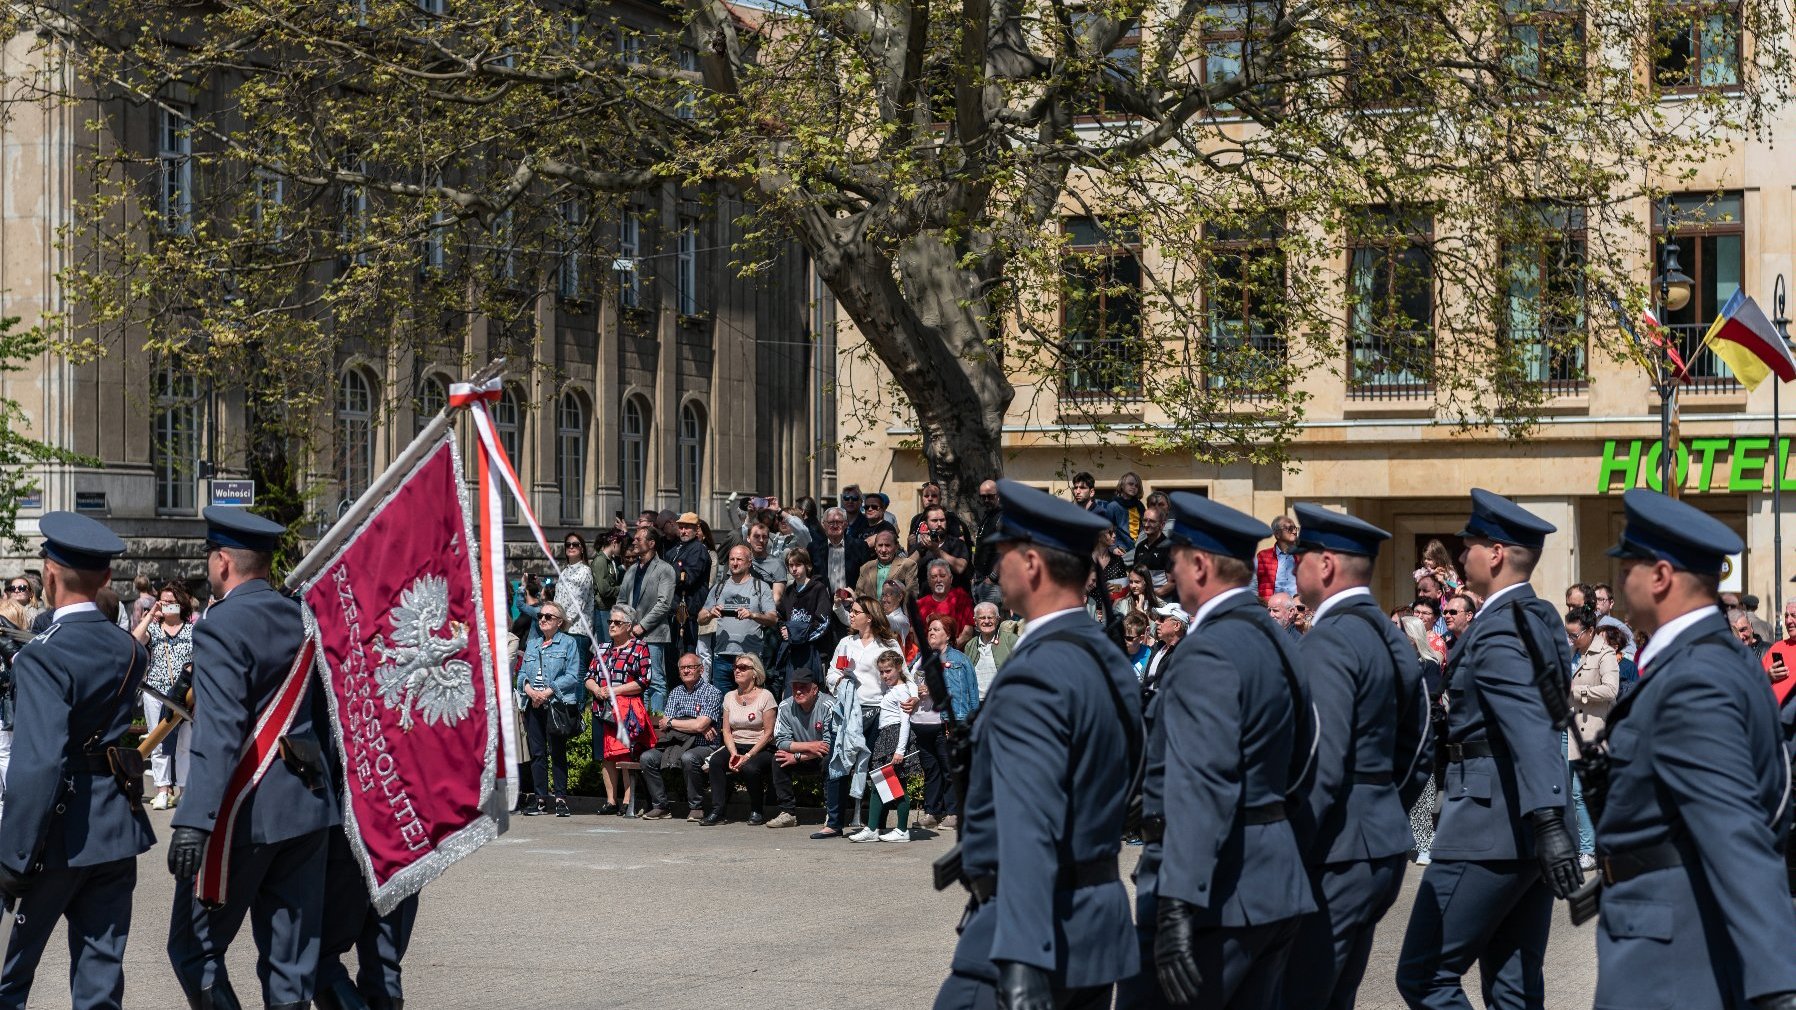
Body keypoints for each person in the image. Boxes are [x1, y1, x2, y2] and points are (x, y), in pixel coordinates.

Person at [935, 479, 1139, 1010]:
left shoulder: (1038, 672)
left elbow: (1027, 822)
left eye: (1000, 554)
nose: (994, 569)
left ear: (1031, 564)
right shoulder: (1107, 656)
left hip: (1033, 934)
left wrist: (1021, 961)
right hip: (1095, 923)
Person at [1592, 489, 1796, 1010]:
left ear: (1660, 576)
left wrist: (1777, 987)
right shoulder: (1707, 658)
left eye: (1629, 565)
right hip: (1671, 934)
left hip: (1671, 958)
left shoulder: (1694, 678)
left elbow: (1737, 831)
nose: (1620, 579)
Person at [1120, 493, 1313, 1010]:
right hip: (1271, 880)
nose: (1169, 573)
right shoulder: (1277, 641)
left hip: (1212, 895)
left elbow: (1201, 786)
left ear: (1200, 564)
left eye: (1176, 560)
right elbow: (1307, 756)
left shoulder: (1207, 650)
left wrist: (1177, 906)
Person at [1396, 489, 1579, 1010]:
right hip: (1522, 823)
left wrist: (1547, 819)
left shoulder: (1501, 627)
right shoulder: (1538, 616)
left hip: (1487, 826)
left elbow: (1529, 725)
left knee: (1425, 975)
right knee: (1514, 990)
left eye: (1470, 543)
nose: (1461, 554)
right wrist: (1548, 819)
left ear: (1495, 553)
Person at [167, 507, 341, 1010]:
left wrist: (195, 820)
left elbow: (220, 733)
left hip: (246, 809)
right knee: (291, 966)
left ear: (222, 562)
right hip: (307, 806)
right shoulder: (304, 618)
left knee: (193, 948)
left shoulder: (220, 625)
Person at [0, 512, 152, 1010]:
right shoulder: (130, 649)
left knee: (10, 976)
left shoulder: (44, 655)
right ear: (107, 578)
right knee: (99, 984)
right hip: (113, 827)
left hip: (53, 837)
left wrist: (13, 856)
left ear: (47, 575)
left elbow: (38, 764)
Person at [1283, 503, 1431, 1010]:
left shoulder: (1328, 641)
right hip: (1377, 839)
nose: (1292, 564)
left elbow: (1319, 759)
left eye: (1298, 555)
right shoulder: (1389, 635)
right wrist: (1385, 800)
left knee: (1299, 995)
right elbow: (1421, 738)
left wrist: (1291, 845)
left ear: (1324, 565)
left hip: (1336, 848)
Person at [910, 614, 979, 830]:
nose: (931, 632)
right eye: (930, 629)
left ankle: (953, 813)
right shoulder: (919, 657)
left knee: (950, 769)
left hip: (948, 721)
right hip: (922, 723)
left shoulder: (959, 660)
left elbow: (970, 693)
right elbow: (906, 682)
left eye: (937, 629)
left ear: (948, 635)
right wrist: (914, 692)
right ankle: (932, 812)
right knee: (931, 770)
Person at [132, 581, 196, 811]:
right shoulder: (154, 629)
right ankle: (161, 789)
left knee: (184, 742)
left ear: (181, 604)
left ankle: (184, 790)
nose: (168, 606)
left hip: (185, 694)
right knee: (157, 740)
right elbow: (134, 640)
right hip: (156, 691)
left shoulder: (192, 630)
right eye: (164, 601)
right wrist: (150, 615)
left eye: (172, 602)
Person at [516, 601, 583, 818]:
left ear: (559, 622)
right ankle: (541, 799)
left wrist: (546, 692)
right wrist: (529, 690)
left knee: (557, 752)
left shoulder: (568, 643)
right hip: (533, 704)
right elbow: (521, 674)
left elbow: (573, 676)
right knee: (537, 754)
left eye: (548, 617)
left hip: (555, 704)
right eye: (541, 616)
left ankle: (561, 798)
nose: (542, 619)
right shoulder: (533, 644)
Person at [1564, 607, 1619, 870]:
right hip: (1568, 730)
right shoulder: (1572, 653)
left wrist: (1579, 691)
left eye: (1575, 635)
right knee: (1570, 792)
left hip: (1592, 733)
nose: (1572, 639)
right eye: (1569, 634)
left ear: (1590, 631)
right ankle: (1586, 846)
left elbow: (1611, 690)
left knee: (1582, 792)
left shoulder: (1605, 654)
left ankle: (1590, 849)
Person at [639, 653, 723, 821]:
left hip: (704, 746)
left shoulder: (712, 692)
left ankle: (696, 807)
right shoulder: (675, 692)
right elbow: (665, 724)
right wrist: (695, 725)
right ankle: (660, 806)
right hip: (675, 745)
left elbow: (698, 725)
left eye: (690, 667)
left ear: (701, 669)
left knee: (689, 757)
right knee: (647, 757)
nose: (686, 671)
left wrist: (683, 724)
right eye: (682, 668)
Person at [826, 594, 902, 777]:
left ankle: (881, 805)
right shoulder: (846, 643)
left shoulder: (888, 645)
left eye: (855, 611)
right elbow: (831, 674)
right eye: (850, 611)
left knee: (879, 768)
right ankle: (838, 806)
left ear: (869, 617)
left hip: (879, 712)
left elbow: (903, 676)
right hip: (848, 712)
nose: (850, 615)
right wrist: (840, 681)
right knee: (840, 766)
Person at [588, 604, 653, 816]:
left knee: (625, 754)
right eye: (610, 622)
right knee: (605, 756)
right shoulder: (602, 648)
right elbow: (588, 677)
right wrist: (597, 688)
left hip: (626, 710)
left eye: (617, 622)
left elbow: (644, 681)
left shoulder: (639, 647)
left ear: (629, 625)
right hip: (601, 708)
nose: (612, 625)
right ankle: (610, 801)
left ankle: (627, 800)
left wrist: (614, 690)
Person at [768, 668, 845, 835]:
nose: (798, 691)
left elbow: (828, 745)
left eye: (803, 687)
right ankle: (788, 813)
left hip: (822, 756)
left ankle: (831, 815)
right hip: (805, 753)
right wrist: (809, 747)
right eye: (795, 686)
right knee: (778, 758)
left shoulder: (828, 705)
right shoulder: (785, 706)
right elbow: (781, 741)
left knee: (830, 761)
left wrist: (797, 756)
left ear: (815, 689)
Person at [706, 653, 778, 826]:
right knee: (716, 761)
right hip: (736, 745)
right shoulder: (729, 697)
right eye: (736, 667)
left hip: (761, 747)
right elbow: (727, 731)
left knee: (751, 767)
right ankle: (718, 810)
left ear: (755, 673)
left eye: (743, 667)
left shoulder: (766, 696)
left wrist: (748, 756)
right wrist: (733, 753)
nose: (737, 670)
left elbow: (769, 733)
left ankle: (756, 810)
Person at [698, 545, 777, 694]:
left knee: (750, 703)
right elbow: (700, 618)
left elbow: (773, 618)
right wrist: (710, 614)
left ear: (749, 562)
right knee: (722, 705)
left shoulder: (760, 587)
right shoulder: (719, 587)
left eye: (739, 559)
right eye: (732, 559)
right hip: (722, 657)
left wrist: (753, 615)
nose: (734, 563)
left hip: (750, 658)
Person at [1399, 615, 1444, 866]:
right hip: (1398, 735)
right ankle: (1409, 840)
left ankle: (1426, 843)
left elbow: (1430, 697)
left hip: (1420, 735)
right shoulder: (1395, 663)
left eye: (1401, 631)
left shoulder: (1429, 664)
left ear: (1413, 637)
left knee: (1425, 793)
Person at [619, 527, 676, 712]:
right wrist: (623, 625)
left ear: (651, 543)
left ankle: (657, 727)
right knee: (636, 681)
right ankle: (639, 725)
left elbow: (664, 604)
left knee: (656, 681)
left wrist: (641, 626)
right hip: (629, 634)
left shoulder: (665, 569)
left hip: (653, 635)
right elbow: (621, 600)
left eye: (638, 539)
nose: (633, 542)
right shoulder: (632, 570)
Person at [776, 548, 832, 684]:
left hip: (813, 652)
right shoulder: (789, 591)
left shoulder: (819, 589)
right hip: (793, 652)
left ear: (808, 566)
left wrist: (797, 635)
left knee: (811, 692)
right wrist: (783, 629)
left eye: (798, 564)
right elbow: (781, 617)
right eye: (791, 565)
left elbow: (823, 622)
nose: (794, 569)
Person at [664, 512, 713, 658]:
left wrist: (671, 573)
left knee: (688, 652)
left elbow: (688, 578)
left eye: (687, 528)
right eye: (681, 527)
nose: (683, 531)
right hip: (674, 606)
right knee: (672, 654)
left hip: (689, 608)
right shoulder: (675, 549)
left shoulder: (698, 549)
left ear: (696, 529)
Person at [961, 601, 1015, 699]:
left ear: (998, 620)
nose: (986, 621)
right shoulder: (970, 645)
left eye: (990, 617)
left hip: (1002, 700)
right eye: (982, 618)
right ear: (975, 621)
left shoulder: (1010, 640)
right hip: (977, 703)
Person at [911, 504, 972, 588]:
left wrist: (936, 551)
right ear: (925, 524)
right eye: (934, 520)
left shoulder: (957, 544)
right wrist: (921, 549)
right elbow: (906, 569)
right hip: (926, 598)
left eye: (942, 520)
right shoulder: (920, 546)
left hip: (953, 598)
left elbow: (960, 567)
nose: (939, 524)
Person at [916, 558, 974, 641]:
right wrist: (930, 653)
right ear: (929, 581)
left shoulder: (961, 598)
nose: (938, 580)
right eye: (934, 577)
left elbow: (967, 633)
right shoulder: (920, 604)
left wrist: (947, 651)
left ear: (950, 579)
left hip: (955, 651)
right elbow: (915, 636)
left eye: (942, 576)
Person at [552, 532, 597, 640]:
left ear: (582, 549)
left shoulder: (585, 571)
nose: (571, 547)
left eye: (575, 544)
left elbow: (579, 602)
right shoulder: (563, 573)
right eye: (568, 544)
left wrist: (564, 624)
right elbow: (557, 600)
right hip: (561, 630)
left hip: (577, 632)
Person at [855, 529, 918, 603]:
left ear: (896, 547)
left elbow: (912, 594)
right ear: (875, 547)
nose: (883, 550)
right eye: (880, 545)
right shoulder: (866, 567)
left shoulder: (908, 565)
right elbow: (858, 593)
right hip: (870, 613)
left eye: (887, 545)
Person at [969, 480, 1005, 607]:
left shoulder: (1003, 517)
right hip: (980, 580)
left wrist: (993, 577)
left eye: (990, 496)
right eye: (983, 497)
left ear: (999, 495)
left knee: (992, 623)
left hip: (994, 585)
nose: (986, 500)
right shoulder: (987, 516)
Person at [1140, 603, 1187, 698]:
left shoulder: (1185, 654)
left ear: (1177, 625)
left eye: (1161, 619)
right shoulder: (1157, 647)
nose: (1156, 622)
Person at [1253, 514, 1300, 600]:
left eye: (1295, 528)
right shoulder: (1262, 557)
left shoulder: (1302, 556)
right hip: (1271, 610)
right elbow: (1253, 586)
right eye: (1289, 528)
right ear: (1277, 534)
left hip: (1298, 609)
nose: (1294, 532)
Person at [1762, 600, 1796, 706]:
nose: (1788, 621)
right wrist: (1768, 676)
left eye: (1794, 615)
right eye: (1786, 616)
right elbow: (1756, 681)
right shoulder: (1777, 647)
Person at [1590, 583, 1637, 660]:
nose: (1596, 603)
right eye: (1594, 600)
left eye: (1600, 599)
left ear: (1611, 603)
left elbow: (1632, 651)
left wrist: (1616, 657)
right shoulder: (1587, 623)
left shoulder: (1618, 626)